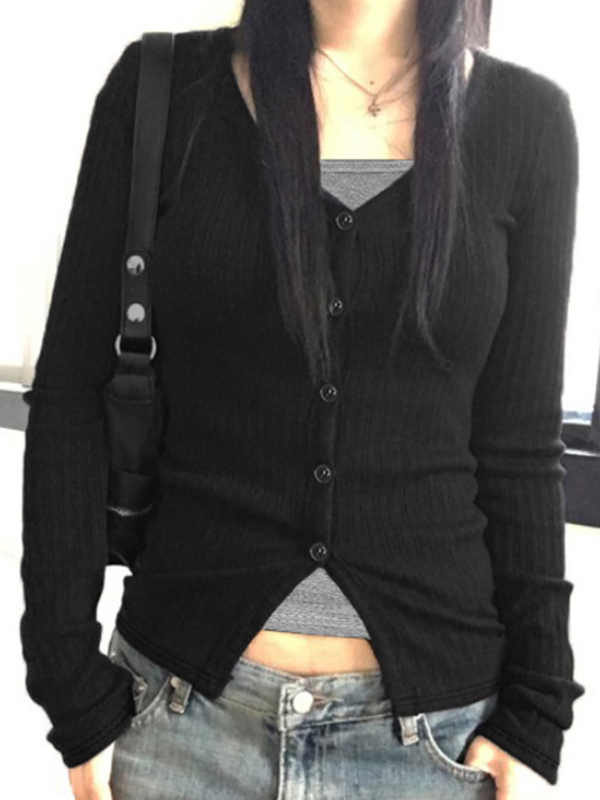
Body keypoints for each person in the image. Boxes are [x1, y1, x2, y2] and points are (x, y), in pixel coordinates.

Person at [20, 1, 585, 798]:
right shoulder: (162, 92)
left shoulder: (529, 122)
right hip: (178, 727)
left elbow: (520, 446)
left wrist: (536, 713)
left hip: (433, 745)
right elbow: (71, 396)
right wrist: (70, 685)